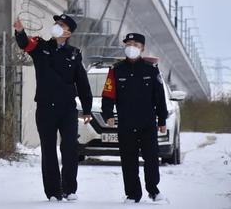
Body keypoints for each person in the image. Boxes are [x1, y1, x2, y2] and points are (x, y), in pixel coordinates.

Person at [14, 13, 93, 202]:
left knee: (69, 148)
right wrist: (19, 31)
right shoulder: (41, 46)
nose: (57, 26)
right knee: (48, 150)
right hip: (45, 108)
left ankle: (69, 189)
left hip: (67, 109)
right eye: (56, 23)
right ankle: (53, 192)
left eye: (62, 25)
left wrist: (88, 109)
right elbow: (25, 44)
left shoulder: (74, 54)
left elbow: (82, 83)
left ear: (68, 32)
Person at [101, 33, 168, 203]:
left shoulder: (151, 69)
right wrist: (108, 114)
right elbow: (108, 94)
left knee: (151, 158)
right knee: (128, 160)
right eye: (129, 43)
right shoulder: (116, 70)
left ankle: (153, 190)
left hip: (147, 122)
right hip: (126, 123)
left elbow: (159, 97)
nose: (132, 47)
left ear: (142, 48)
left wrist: (162, 120)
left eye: (136, 44)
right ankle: (132, 194)